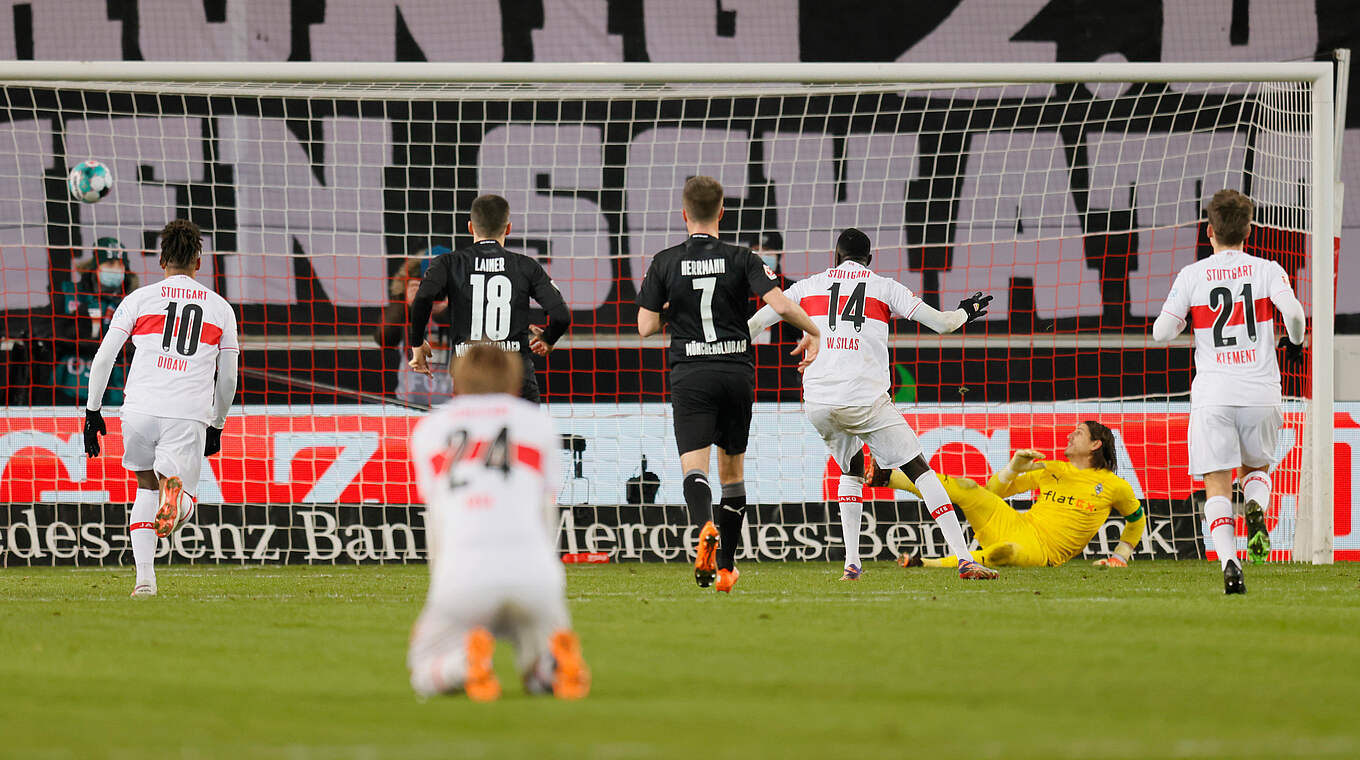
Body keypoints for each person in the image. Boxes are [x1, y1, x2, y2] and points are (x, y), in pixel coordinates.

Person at [748, 227, 998, 581]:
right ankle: (964, 558)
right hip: (864, 400)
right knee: (919, 470)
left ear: (835, 257)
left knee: (850, 469)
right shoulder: (884, 286)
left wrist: (724, 345)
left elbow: (758, 323)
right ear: (869, 259)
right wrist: (965, 312)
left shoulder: (806, 286)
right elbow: (942, 325)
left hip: (818, 401)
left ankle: (852, 564)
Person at [637, 175, 820, 593]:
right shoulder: (743, 257)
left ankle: (704, 527)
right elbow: (781, 305)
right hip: (735, 372)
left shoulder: (664, 261)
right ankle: (725, 568)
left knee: (694, 469)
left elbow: (645, 326)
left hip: (691, 374)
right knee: (733, 473)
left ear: (684, 214)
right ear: (722, 212)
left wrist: (675, 309)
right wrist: (815, 333)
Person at [406, 343, 589, 701]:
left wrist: (441, 586)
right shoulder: (538, 424)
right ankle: (548, 666)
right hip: (535, 576)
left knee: (424, 666)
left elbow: (437, 524)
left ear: (455, 379)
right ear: (513, 378)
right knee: (538, 648)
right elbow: (545, 514)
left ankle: (464, 665)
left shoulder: (429, 431)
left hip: (465, 576)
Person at [1152, 189, 1307, 594]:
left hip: (1214, 394)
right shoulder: (1267, 269)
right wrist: (1294, 342)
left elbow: (1161, 332)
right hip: (1261, 391)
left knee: (1216, 483)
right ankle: (1256, 508)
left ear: (1210, 231)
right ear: (1248, 230)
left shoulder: (1193, 274)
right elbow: (1293, 313)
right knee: (1256, 471)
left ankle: (1230, 562)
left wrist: (1184, 325)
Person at [82, 219, 239, 598]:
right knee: (177, 495)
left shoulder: (138, 299)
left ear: (161, 260)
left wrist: (92, 411)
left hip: (138, 409)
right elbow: (228, 378)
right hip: (185, 412)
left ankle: (145, 582)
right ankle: (179, 503)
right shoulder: (220, 309)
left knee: (144, 487)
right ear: (198, 263)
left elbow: (104, 358)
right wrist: (217, 423)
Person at [888, 422, 1146, 569]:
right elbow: (992, 493)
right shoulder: (1051, 468)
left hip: (1041, 551)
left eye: (1078, 433)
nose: (1069, 435)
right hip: (1015, 523)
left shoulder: (1115, 486)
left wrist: (1119, 556)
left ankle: (927, 564)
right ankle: (887, 477)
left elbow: (1137, 519)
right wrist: (1012, 469)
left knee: (1006, 552)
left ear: (1095, 444)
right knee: (968, 488)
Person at [408, 194, 571, 403]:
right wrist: (548, 338)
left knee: (475, 436)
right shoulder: (527, 266)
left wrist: (417, 343)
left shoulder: (448, 263)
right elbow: (561, 316)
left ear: (470, 227)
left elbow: (423, 298)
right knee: (524, 436)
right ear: (509, 228)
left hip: (470, 377)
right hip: (516, 378)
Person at [53, 237, 139, 405]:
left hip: (117, 388)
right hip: (73, 386)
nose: (115, 269)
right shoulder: (71, 294)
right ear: (96, 267)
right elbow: (56, 334)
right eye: (109, 264)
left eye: (119, 264)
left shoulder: (133, 300)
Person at [375, 246, 453, 407]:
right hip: (407, 405)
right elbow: (384, 338)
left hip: (451, 407)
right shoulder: (407, 301)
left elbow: (472, 339)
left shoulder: (464, 299)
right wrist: (409, 307)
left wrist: (445, 313)